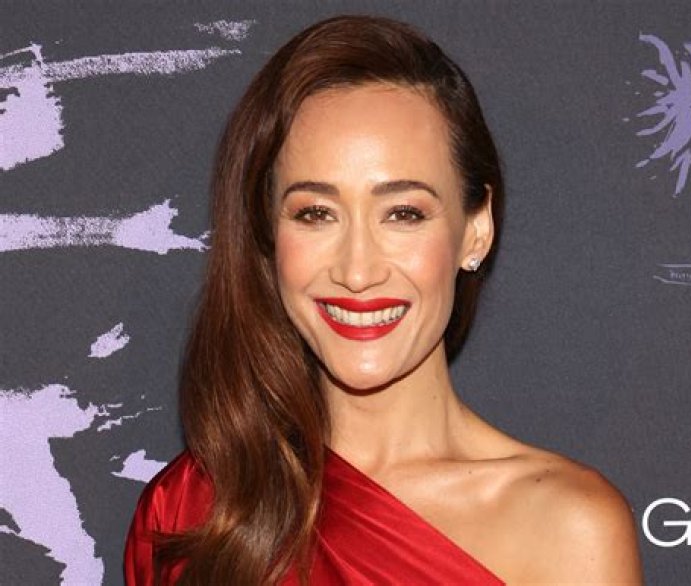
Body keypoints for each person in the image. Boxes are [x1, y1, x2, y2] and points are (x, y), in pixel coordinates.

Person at [124, 14, 643, 585]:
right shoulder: (195, 512)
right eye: (315, 213)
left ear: (476, 230)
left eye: (403, 213)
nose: (357, 271)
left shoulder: (569, 528)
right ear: (268, 233)